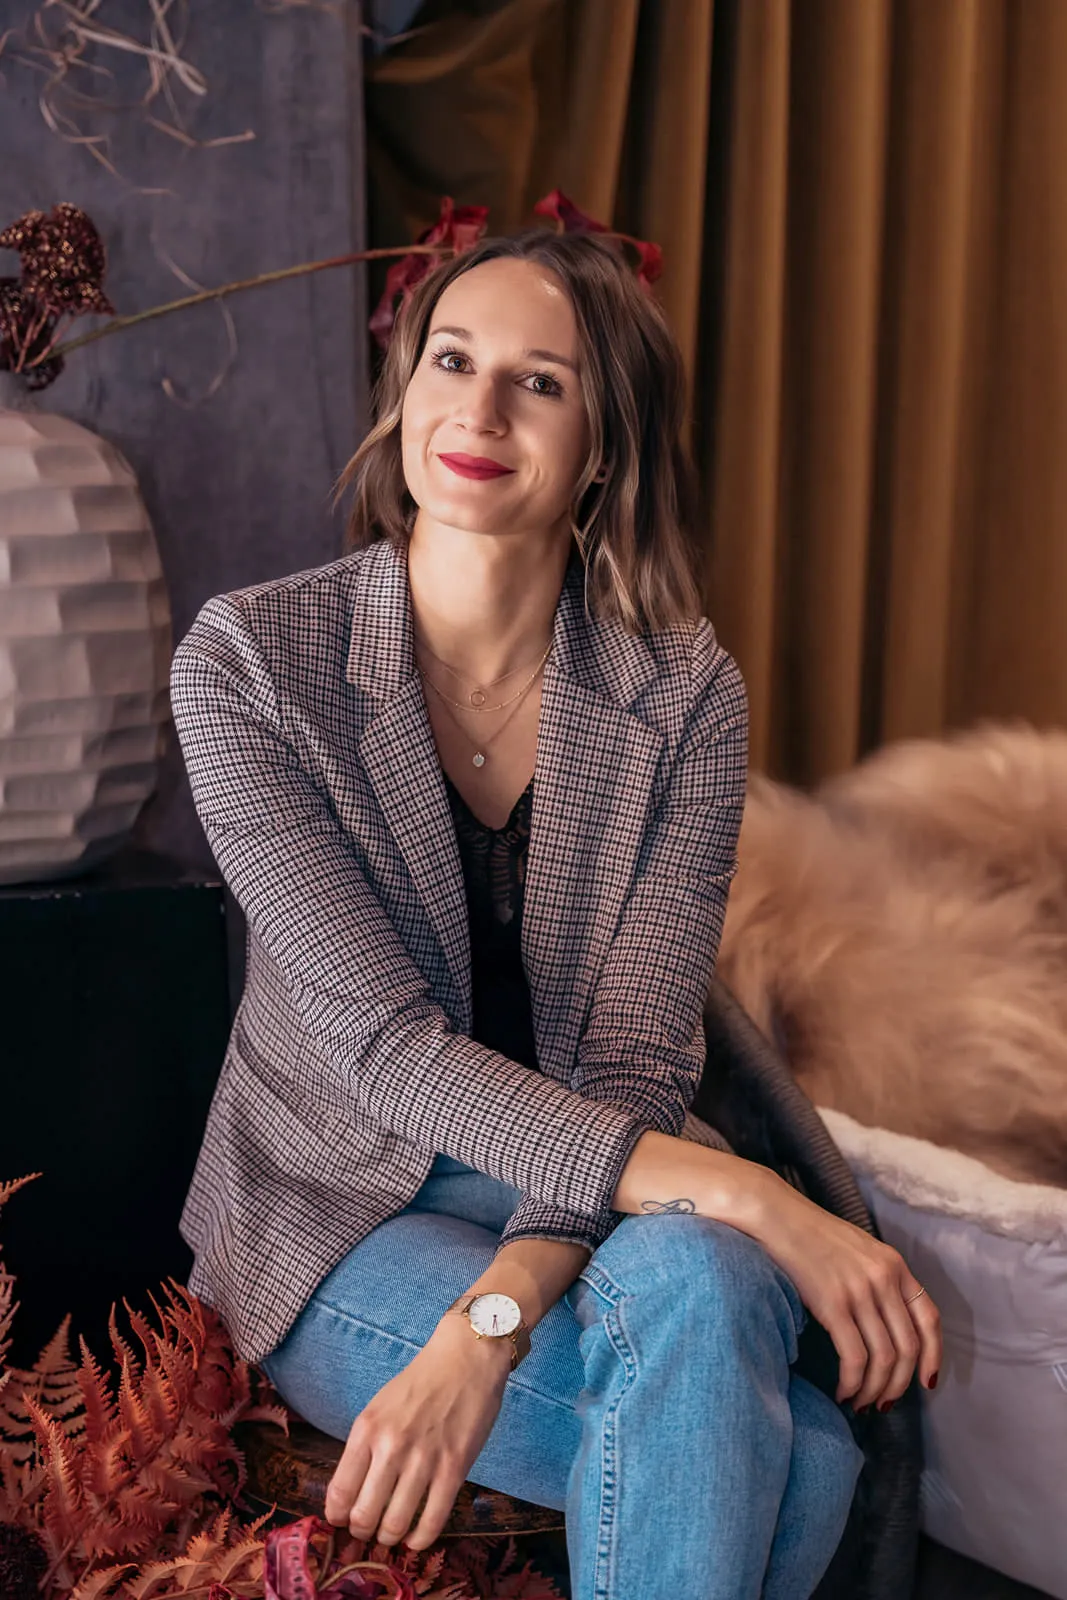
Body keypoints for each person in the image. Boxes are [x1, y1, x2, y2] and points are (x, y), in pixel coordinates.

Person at [170, 228, 941, 1600]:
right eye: (451, 361)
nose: (477, 410)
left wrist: (492, 1321)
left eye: (539, 382)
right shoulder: (250, 666)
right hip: (337, 1201)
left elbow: (635, 1064)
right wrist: (747, 1191)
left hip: (594, 1171)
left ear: (602, 447)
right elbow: (386, 1054)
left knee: (710, 1298)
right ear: (404, 390)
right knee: (809, 1458)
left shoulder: (681, 694)